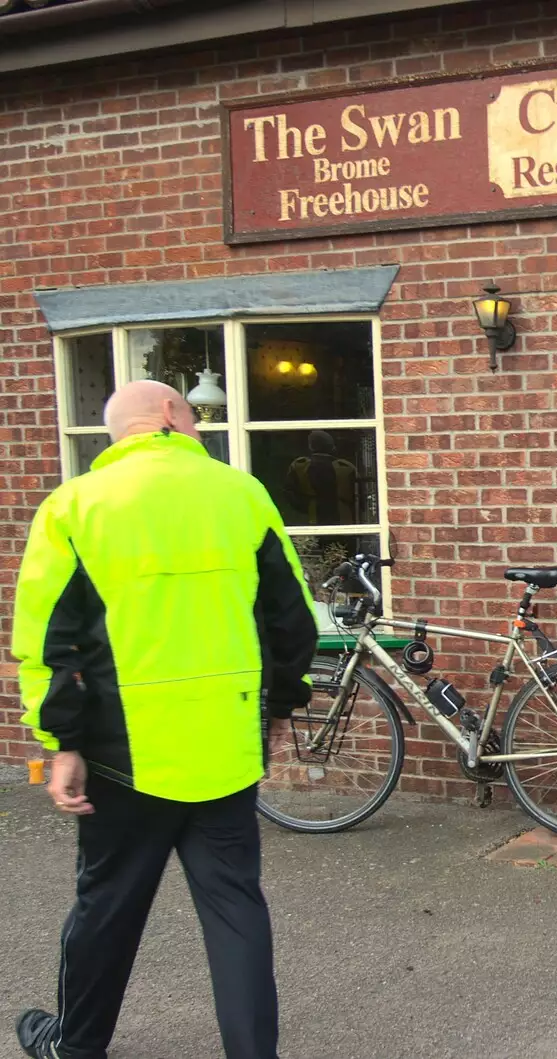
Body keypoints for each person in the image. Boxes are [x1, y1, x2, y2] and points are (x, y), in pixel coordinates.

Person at [12, 380, 319, 1059]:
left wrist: (61, 741)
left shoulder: (75, 506)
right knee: (236, 908)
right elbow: (292, 618)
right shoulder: (241, 494)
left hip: (124, 752)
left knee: (107, 908)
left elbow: (48, 641)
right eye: (195, 411)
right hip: (224, 742)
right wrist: (280, 703)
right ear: (173, 415)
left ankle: (76, 1044)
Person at [283, 429, 360, 525]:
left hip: (311, 521)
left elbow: (289, 493)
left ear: (310, 446)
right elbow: (361, 496)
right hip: (343, 522)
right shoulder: (347, 467)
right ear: (332, 447)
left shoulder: (299, 466)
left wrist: (306, 507)